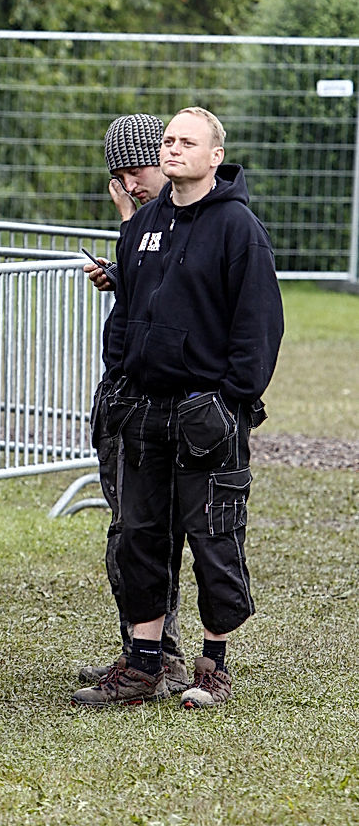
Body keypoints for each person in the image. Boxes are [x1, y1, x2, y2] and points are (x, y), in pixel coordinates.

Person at [72, 106, 283, 709]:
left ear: (214, 156)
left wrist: (231, 400)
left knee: (214, 537)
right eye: (167, 140)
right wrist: (120, 382)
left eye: (186, 142)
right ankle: (142, 664)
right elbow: (128, 313)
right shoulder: (140, 229)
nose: (172, 149)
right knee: (139, 535)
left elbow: (260, 325)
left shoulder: (238, 228)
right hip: (143, 411)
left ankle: (212, 667)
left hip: (206, 413)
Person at [78, 114, 190, 696]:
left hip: (155, 402)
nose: (129, 184)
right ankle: (139, 648)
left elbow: (172, 294)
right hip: (123, 393)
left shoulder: (175, 225)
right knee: (129, 531)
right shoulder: (143, 227)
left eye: (136, 169)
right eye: (117, 175)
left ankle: (157, 654)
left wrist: (132, 232)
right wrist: (121, 275)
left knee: (146, 532)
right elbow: (145, 295)